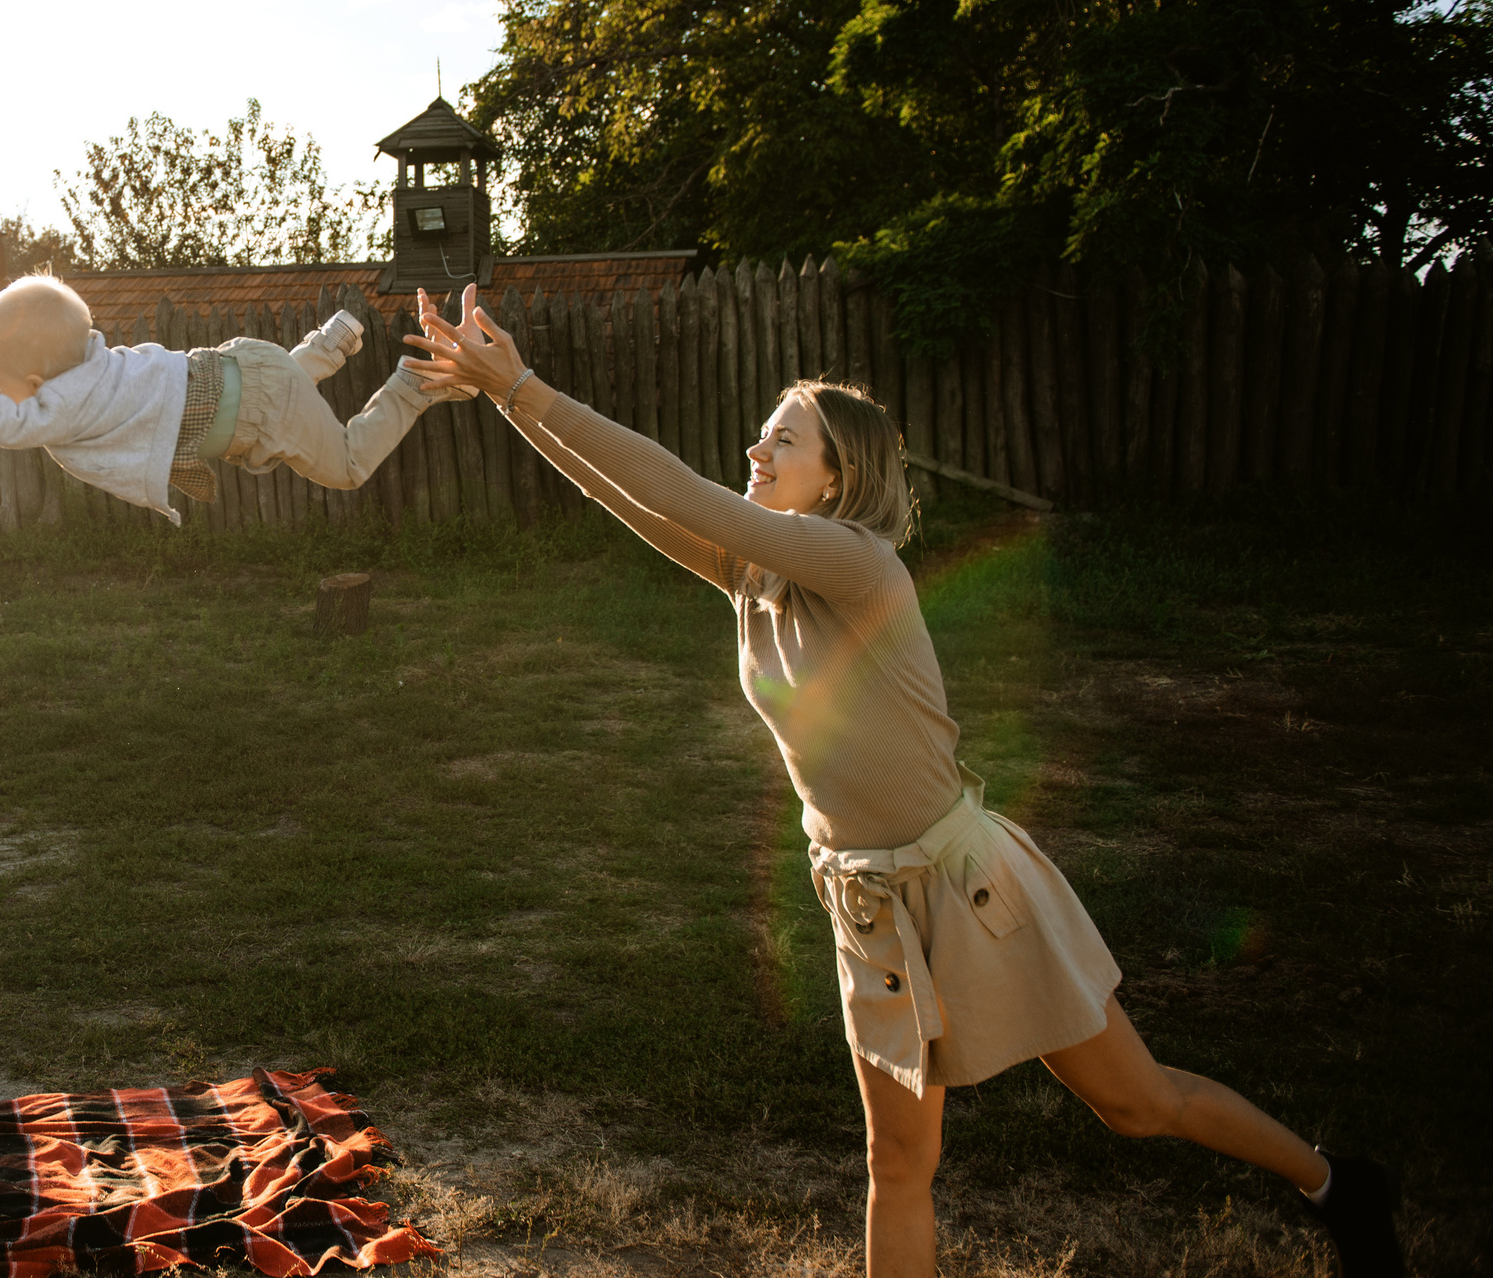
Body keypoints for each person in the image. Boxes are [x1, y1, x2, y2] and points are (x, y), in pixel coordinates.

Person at [402, 283, 1404, 1278]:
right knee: (898, 1158)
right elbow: (623, 491)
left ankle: (1333, 1181)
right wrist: (503, 395)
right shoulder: (756, 576)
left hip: (966, 884)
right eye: (762, 436)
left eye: (781, 440)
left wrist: (524, 382)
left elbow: (676, 486)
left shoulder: (858, 564)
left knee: (1136, 1103)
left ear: (838, 477)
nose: (755, 452)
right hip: (863, 896)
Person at [0, 274, 454, 521]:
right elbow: (18, 378)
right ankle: (333, 341)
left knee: (347, 465)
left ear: (38, 384)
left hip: (259, 407)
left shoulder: (67, 404)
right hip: (246, 365)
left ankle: (410, 385)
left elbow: (10, 425)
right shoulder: (93, 360)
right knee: (283, 388)